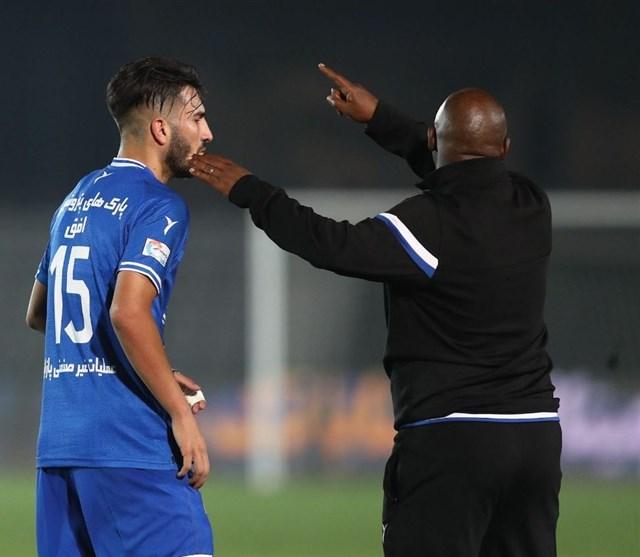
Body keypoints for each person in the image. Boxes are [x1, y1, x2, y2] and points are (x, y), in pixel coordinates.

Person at [189, 64, 561, 557]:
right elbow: (466, 174)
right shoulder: (532, 206)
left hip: (452, 440)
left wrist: (251, 191)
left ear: (434, 139)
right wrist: (380, 119)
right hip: (536, 439)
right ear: (507, 149)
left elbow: (332, 244)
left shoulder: (427, 226)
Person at [25, 56, 215, 557]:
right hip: (128, 447)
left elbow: (40, 313)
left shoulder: (76, 197)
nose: (208, 133)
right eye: (197, 117)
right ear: (161, 129)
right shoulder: (159, 204)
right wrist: (179, 413)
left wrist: (153, 368)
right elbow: (127, 313)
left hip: (60, 452)